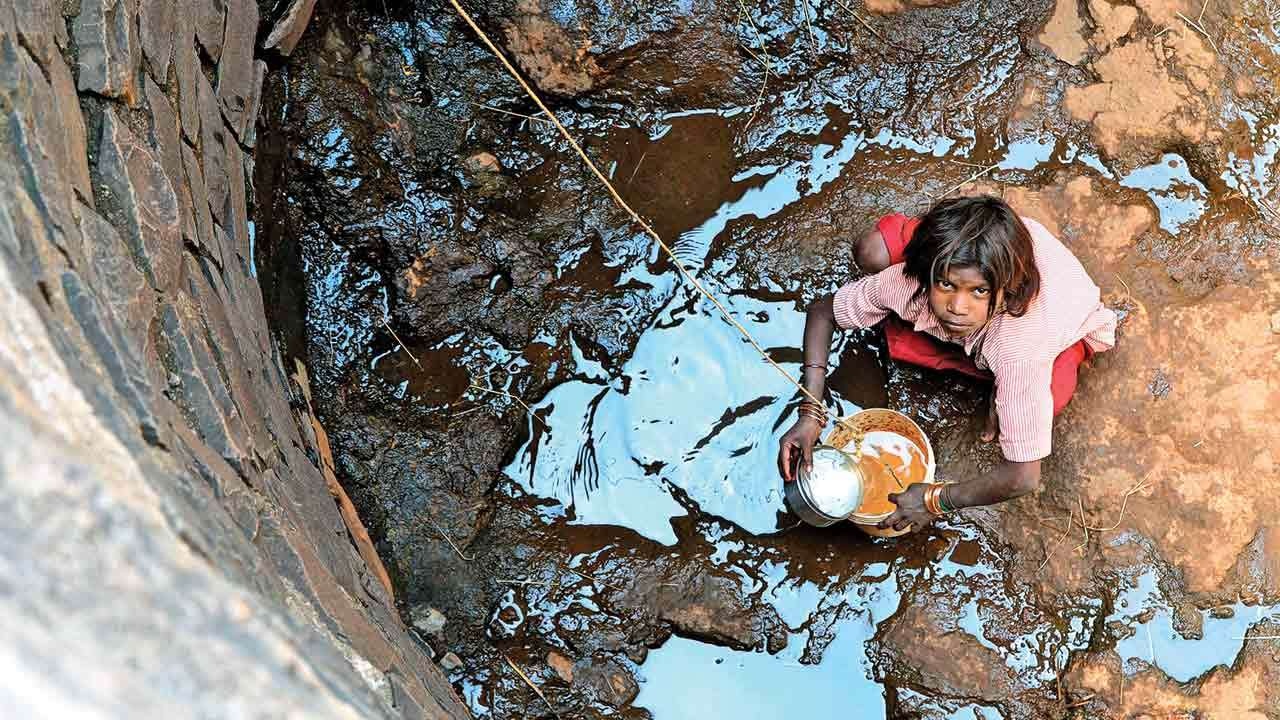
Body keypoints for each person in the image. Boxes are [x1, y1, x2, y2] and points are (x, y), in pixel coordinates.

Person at [776, 195, 1116, 533]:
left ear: (1006, 291)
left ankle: (1015, 373)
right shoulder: (909, 284)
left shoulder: (1018, 348)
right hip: (985, 255)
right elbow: (823, 312)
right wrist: (810, 413)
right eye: (946, 285)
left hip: (1059, 321)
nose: (957, 307)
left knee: (1048, 396)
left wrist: (935, 500)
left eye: (979, 291)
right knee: (871, 252)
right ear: (928, 274)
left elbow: (1023, 476)